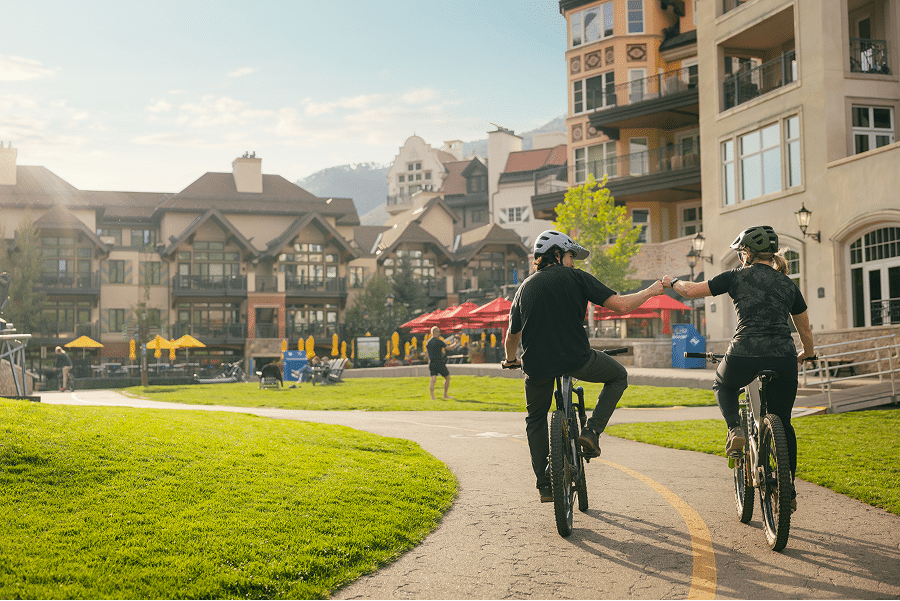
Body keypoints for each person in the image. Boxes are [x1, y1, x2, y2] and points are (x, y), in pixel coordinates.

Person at [502, 230, 666, 502]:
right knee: (618, 375)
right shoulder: (576, 278)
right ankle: (591, 432)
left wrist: (510, 360)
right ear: (557, 255)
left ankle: (544, 484)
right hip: (577, 359)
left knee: (535, 419)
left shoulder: (524, 288)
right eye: (570, 256)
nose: (574, 262)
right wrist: (650, 290)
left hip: (537, 367)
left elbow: (512, 336)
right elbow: (621, 306)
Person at [662, 225, 815, 512]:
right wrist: (807, 353)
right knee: (783, 420)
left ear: (747, 253)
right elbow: (804, 327)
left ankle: (735, 430)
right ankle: (788, 488)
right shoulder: (787, 284)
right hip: (782, 357)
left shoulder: (736, 276)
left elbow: (691, 290)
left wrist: (672, 282)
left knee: (723, 384)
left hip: (744, 353)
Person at [426, 326, 453, 400]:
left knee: (433, 379)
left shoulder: (428, 342)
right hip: (439, 362)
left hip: (431, 363)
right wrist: (455, 343)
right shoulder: (438, 341)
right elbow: (449, 348)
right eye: (438, 332)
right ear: (435, 332)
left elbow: (427, 354)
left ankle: (432, 396)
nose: (439, 333)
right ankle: (445, 395)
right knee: (447, 377)